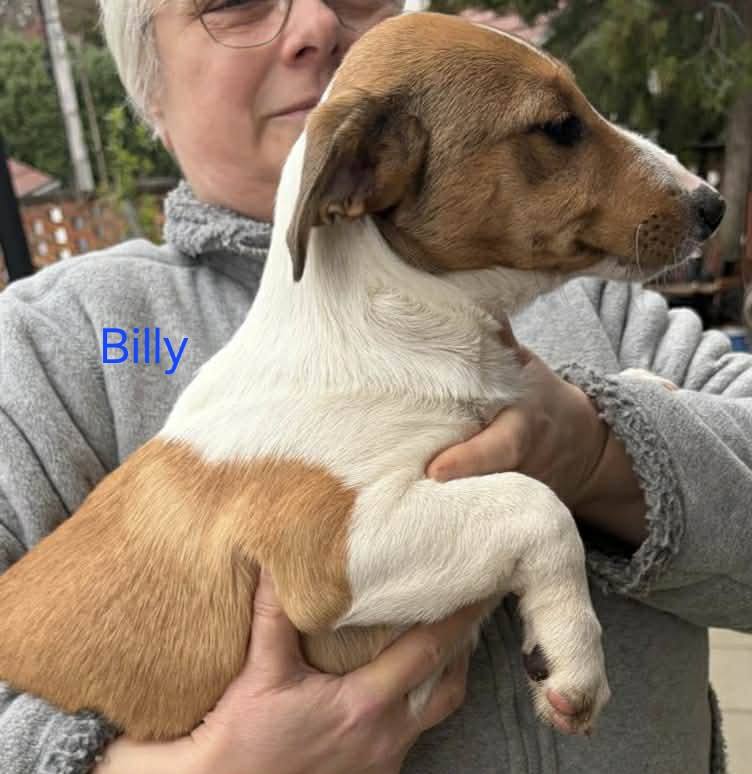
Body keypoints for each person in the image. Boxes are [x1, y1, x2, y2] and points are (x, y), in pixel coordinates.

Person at [1, 1, 750, 772]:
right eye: (235, 3)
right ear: (148, 84)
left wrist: (604, 448)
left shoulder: (594, 300)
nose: (315, 25)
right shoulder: (56, 343)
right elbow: (328, 565)